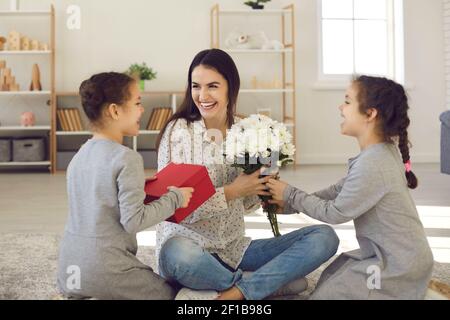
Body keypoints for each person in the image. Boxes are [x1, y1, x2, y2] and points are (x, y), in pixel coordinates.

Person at [155, 49, 339, 300]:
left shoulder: (246, 129)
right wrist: (233, 191)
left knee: (323, 237)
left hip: (234, 250)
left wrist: (262, 183)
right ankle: (260, 286)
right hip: (189, 247)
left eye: (213, 86)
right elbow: (174, 209)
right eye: (196, 86)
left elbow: (247, 205)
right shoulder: (179, 132)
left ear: (231, 88)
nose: (202, 95)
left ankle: (232, 289)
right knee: (177, 253)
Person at [267, 75, 434, 299]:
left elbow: (335, 212)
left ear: (370, 114)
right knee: (332, 276)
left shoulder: (374, 163)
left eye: (347, 101)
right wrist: (289, 205)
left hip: (398, 266)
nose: (340, 107)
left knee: (326, 294)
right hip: (396, 257)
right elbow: (338, 191)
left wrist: (289, 193)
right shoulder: (378, 154)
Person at [57, 72, 193, 299]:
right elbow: (133, 221)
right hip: (106, 269)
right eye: (137, 103)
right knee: (176, 294)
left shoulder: (79, 155)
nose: (142, 110)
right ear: (115, 110)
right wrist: (175, 199)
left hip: (70, 270)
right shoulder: (126, 158)